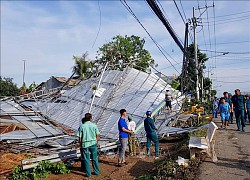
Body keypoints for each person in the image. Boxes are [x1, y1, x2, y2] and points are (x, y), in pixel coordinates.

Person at [77, 113, 100, 177]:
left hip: (85, 144)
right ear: (90, 118)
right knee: (94, 158)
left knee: (86, 159)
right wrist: (97, 142)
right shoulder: (94, 125)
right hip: (93, 143)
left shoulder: (82, 126)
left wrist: (80, 145)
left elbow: (80, 137)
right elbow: (98, 135)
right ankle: (97, 172)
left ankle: (88, 174)